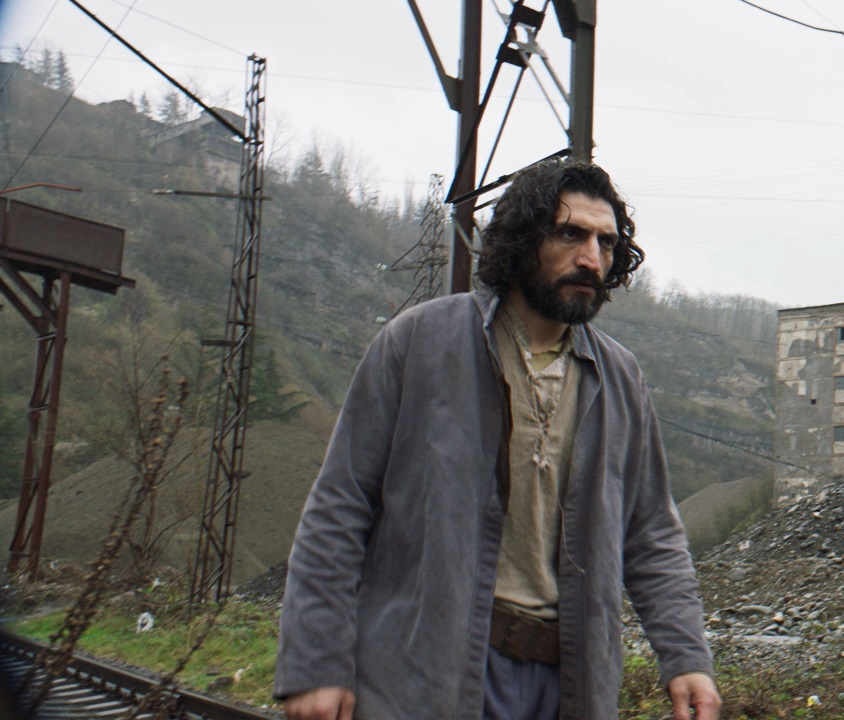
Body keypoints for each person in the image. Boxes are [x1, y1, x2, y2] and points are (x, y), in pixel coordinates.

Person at [273, 159, 720, 720]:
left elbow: (651, 533)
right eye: (570, 234)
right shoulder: (420, 342)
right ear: (522, 240)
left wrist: (686, 657)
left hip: (566, 683)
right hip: (427, 673)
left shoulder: (619, 378)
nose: (591, 258)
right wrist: (318, 663)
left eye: (605, 242)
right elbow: (340, 507)